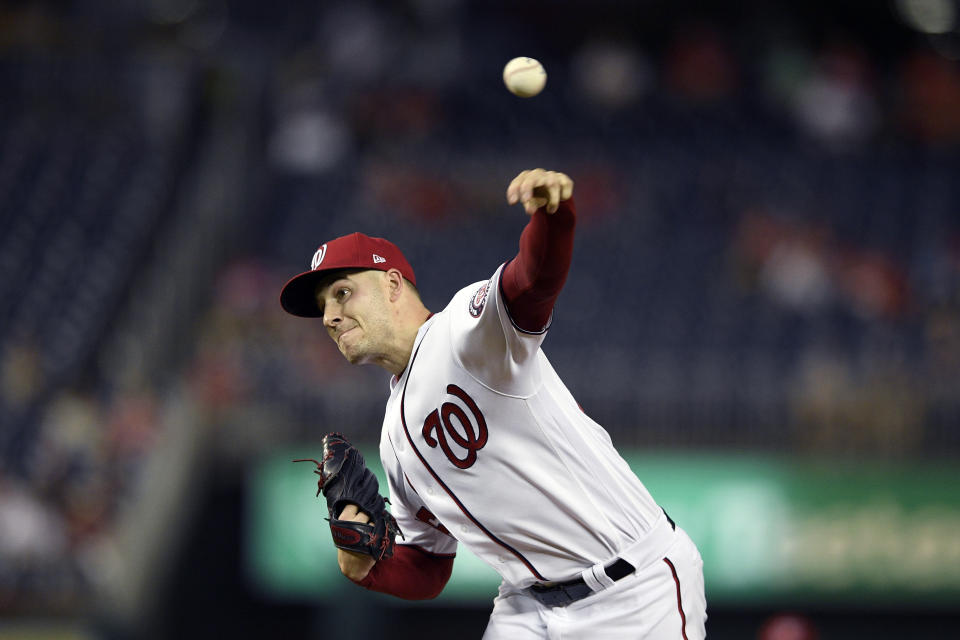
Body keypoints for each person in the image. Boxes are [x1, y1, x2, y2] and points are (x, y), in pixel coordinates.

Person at [280, 169, 707, 639]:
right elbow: (428, 565)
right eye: (323, 307)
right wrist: (367, 568)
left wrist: (552, 216)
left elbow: (532, 284)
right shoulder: (393, 441)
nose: (330, 317)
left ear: (394, 285)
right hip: (527, 604)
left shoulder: (461, 332)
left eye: (342, 293)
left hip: (633, 589)